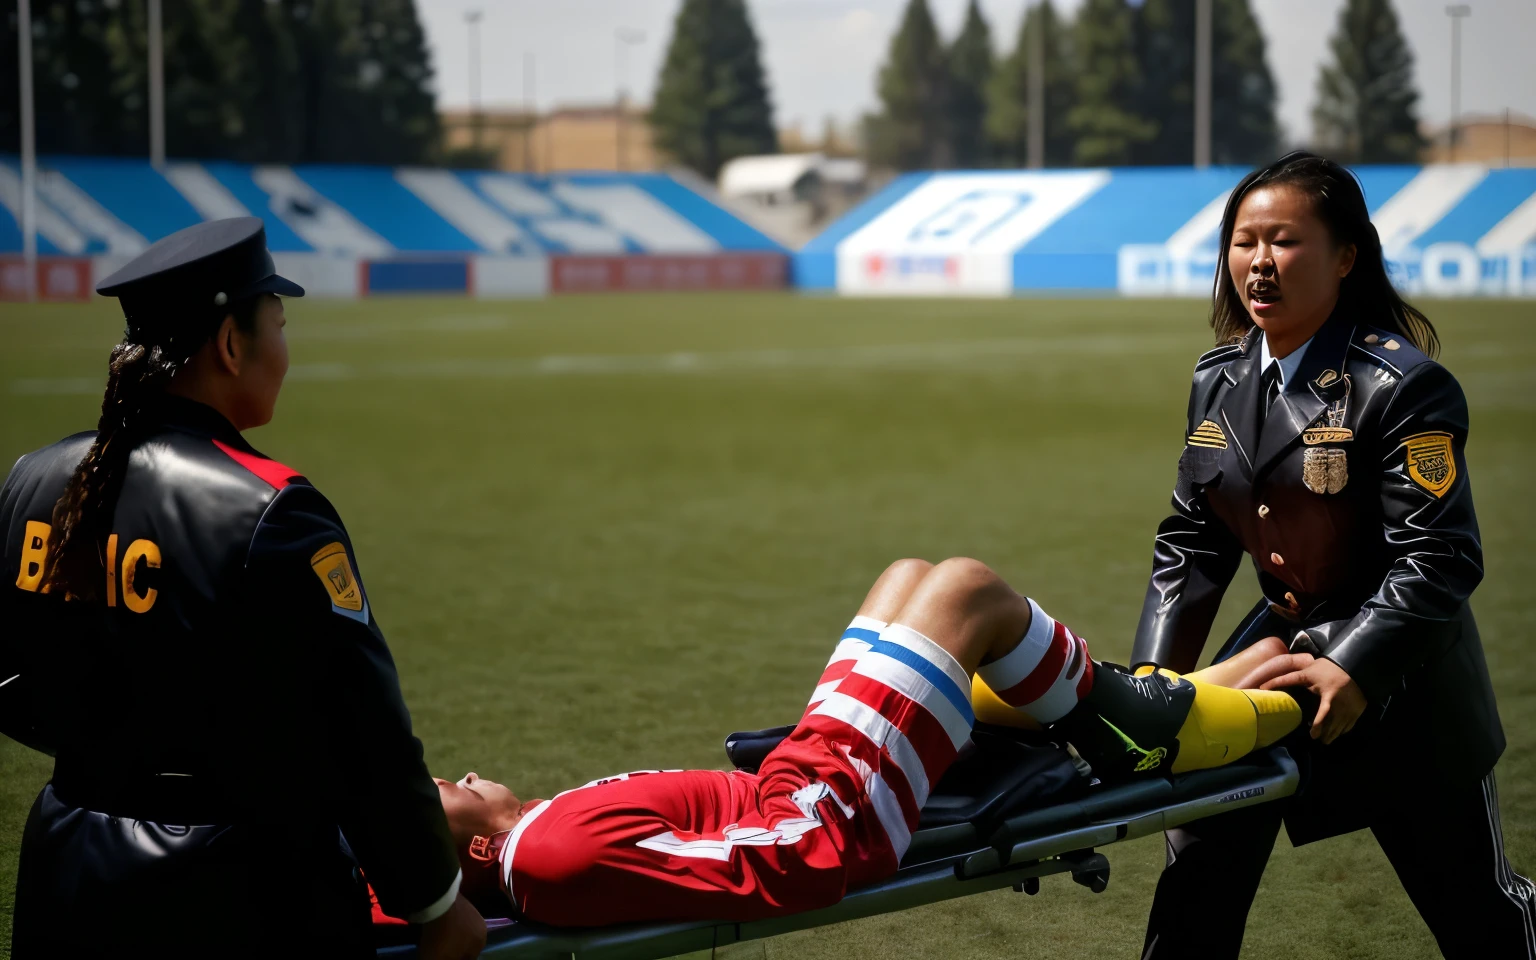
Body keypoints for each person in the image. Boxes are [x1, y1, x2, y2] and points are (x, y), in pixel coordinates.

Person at [0, 219, 484, 958]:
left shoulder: (34, 476)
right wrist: (437, 904)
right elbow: (367, 736)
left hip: (65, 866)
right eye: (279, 325)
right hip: (237, 893)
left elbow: (11, 681)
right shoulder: (272, 509)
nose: (286, 352)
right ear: (231, 343)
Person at [419, 557, 1310, 927]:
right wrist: (814, 790)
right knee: (964, 590)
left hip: (805, 774)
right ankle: (1136, 730)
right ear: (476, 844)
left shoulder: (537, 839)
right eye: (438, 789)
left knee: (907, 577)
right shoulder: (546, 854)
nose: (455, 772)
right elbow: (778, 863)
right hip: (824, 808)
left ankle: (1150, 705)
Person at [1132, 152, 1531, 958]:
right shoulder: (1218, 379)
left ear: (1346, 257)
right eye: (1245, 242)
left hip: (1402, 680)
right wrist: (1150, 689)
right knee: (1199, 871)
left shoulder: (1401, 384)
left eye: (1285, 241)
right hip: (1271, 661)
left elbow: (1440, 557)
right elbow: (1192, 543)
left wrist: (1354, 665)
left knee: (1477, 917)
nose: (1260, 263)